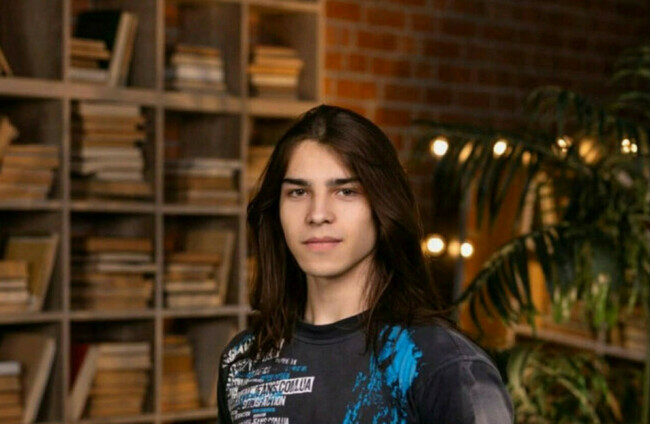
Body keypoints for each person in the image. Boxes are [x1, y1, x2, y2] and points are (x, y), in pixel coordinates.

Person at [217, 105, 513, 423]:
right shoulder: (241, 362)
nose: (317, 214)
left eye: (346, 191)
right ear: (276, 210)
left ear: (383, 206)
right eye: (298, 192)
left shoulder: (443, 365)